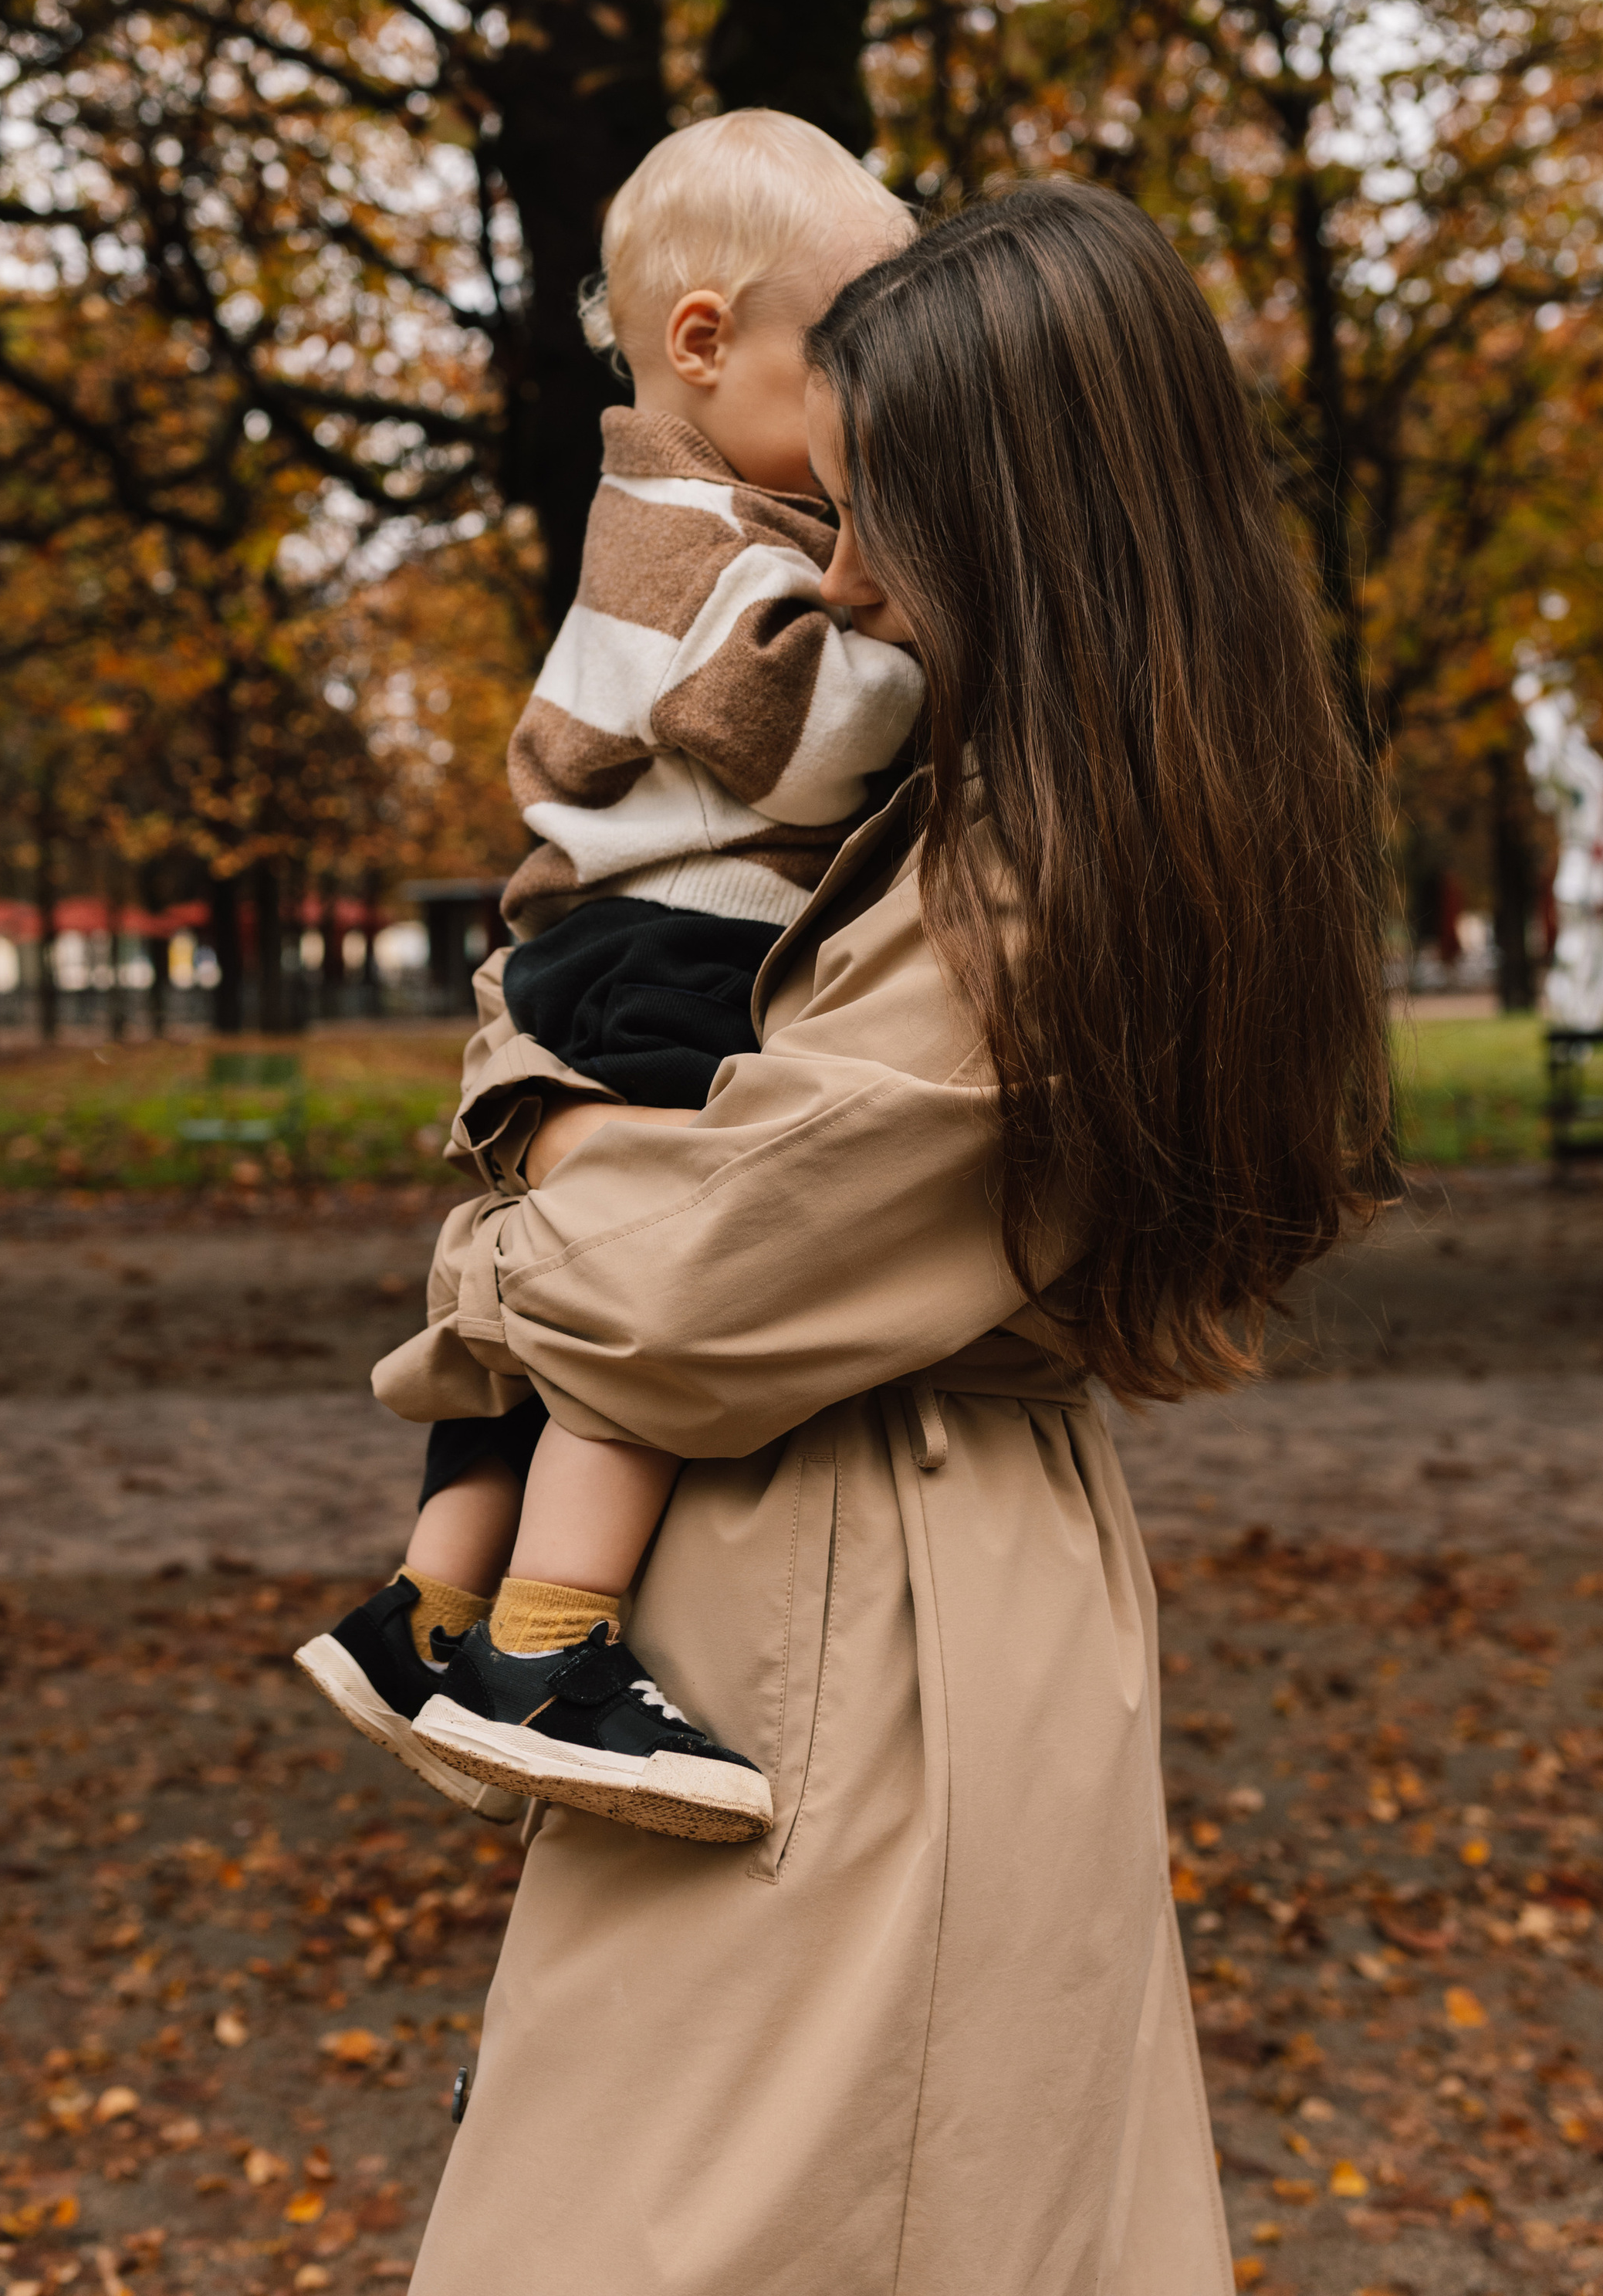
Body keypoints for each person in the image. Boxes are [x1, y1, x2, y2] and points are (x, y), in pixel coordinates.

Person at [378, 179, 1389, 2296]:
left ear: (1020, 526)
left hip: (867, 1637)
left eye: (872, 518)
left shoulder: (1031, 895)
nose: (836, 579)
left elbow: (679, 1289)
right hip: (869, 1608)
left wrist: (521, 1127)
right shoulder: (1054, 818)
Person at [299, 111, 925, 1837]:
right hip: (675, 954)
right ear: (704, 343)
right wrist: (936, 653)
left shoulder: (673, 511)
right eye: (843, 356)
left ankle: (428, 1603)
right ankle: (552, 1643)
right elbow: (783, 735)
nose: (871, 411)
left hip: (597, 945)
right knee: (652, 1291)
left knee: (552, 1288)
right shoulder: (701, 533)